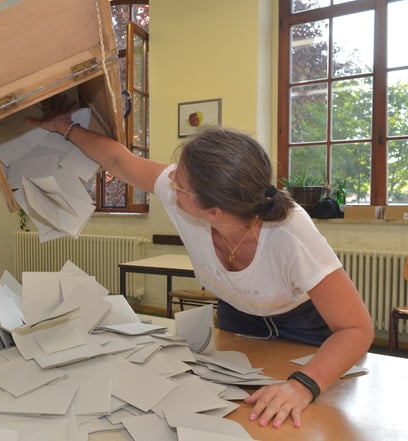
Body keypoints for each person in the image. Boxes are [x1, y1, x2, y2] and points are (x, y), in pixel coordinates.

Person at [27, 98, 374, 429]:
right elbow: (118, 161)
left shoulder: (291, 234)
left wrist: (304, 384)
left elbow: (357, 329)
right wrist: (65, 127)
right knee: (237, 414)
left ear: (213, 212)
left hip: (304, 329)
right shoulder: (184, 193)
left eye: (180, 179)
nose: (170, 178)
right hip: (239, 318)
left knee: (301, 419)